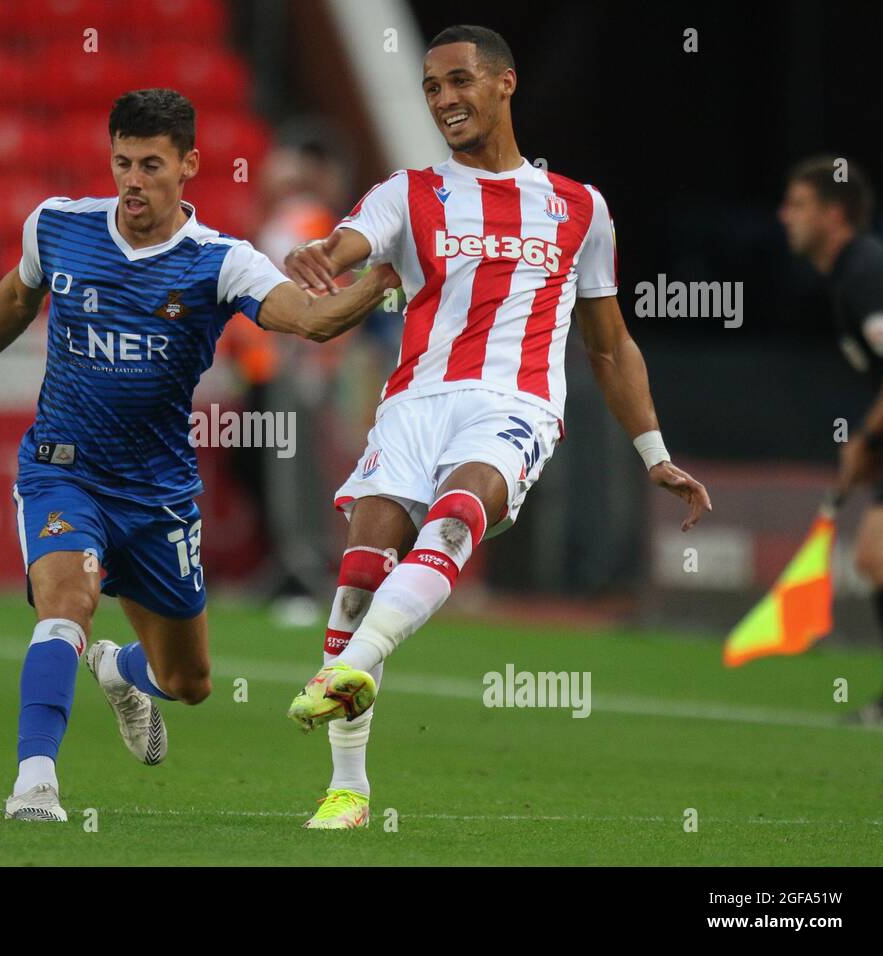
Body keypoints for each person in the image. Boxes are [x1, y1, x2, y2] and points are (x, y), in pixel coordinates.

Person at [0, 88, 400, 822]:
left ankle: (119, 669)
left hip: (157, 492)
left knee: (189, 680)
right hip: (63, 466)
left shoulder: (220, 263)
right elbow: (20, 297)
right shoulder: (57, 226)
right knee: (65, 604)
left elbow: (308, 319)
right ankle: (35, 784)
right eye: (122, 163)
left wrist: (382, 281)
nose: (133, 180)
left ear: (189, 166)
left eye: (151, 164)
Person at [282, 25, 712, 829]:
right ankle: (349, 790)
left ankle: (357, 666)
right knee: (355, 589)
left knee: (456, 517)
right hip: (412, 406)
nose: (445, 99)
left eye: (459, 81)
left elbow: (610, 343)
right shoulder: (408, 192)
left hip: (514, 405)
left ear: (505, 83)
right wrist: (322, 258)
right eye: (432, 89)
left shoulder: (579, 208)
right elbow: (346, 248)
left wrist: (653, 451)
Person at [779, 156, 883, 725]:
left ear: (836, 213)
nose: (784, 217)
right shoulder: (846, 277)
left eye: (798, 205)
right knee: (879, 557)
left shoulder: (865, 270)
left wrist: (868, 438)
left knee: (877, 553)